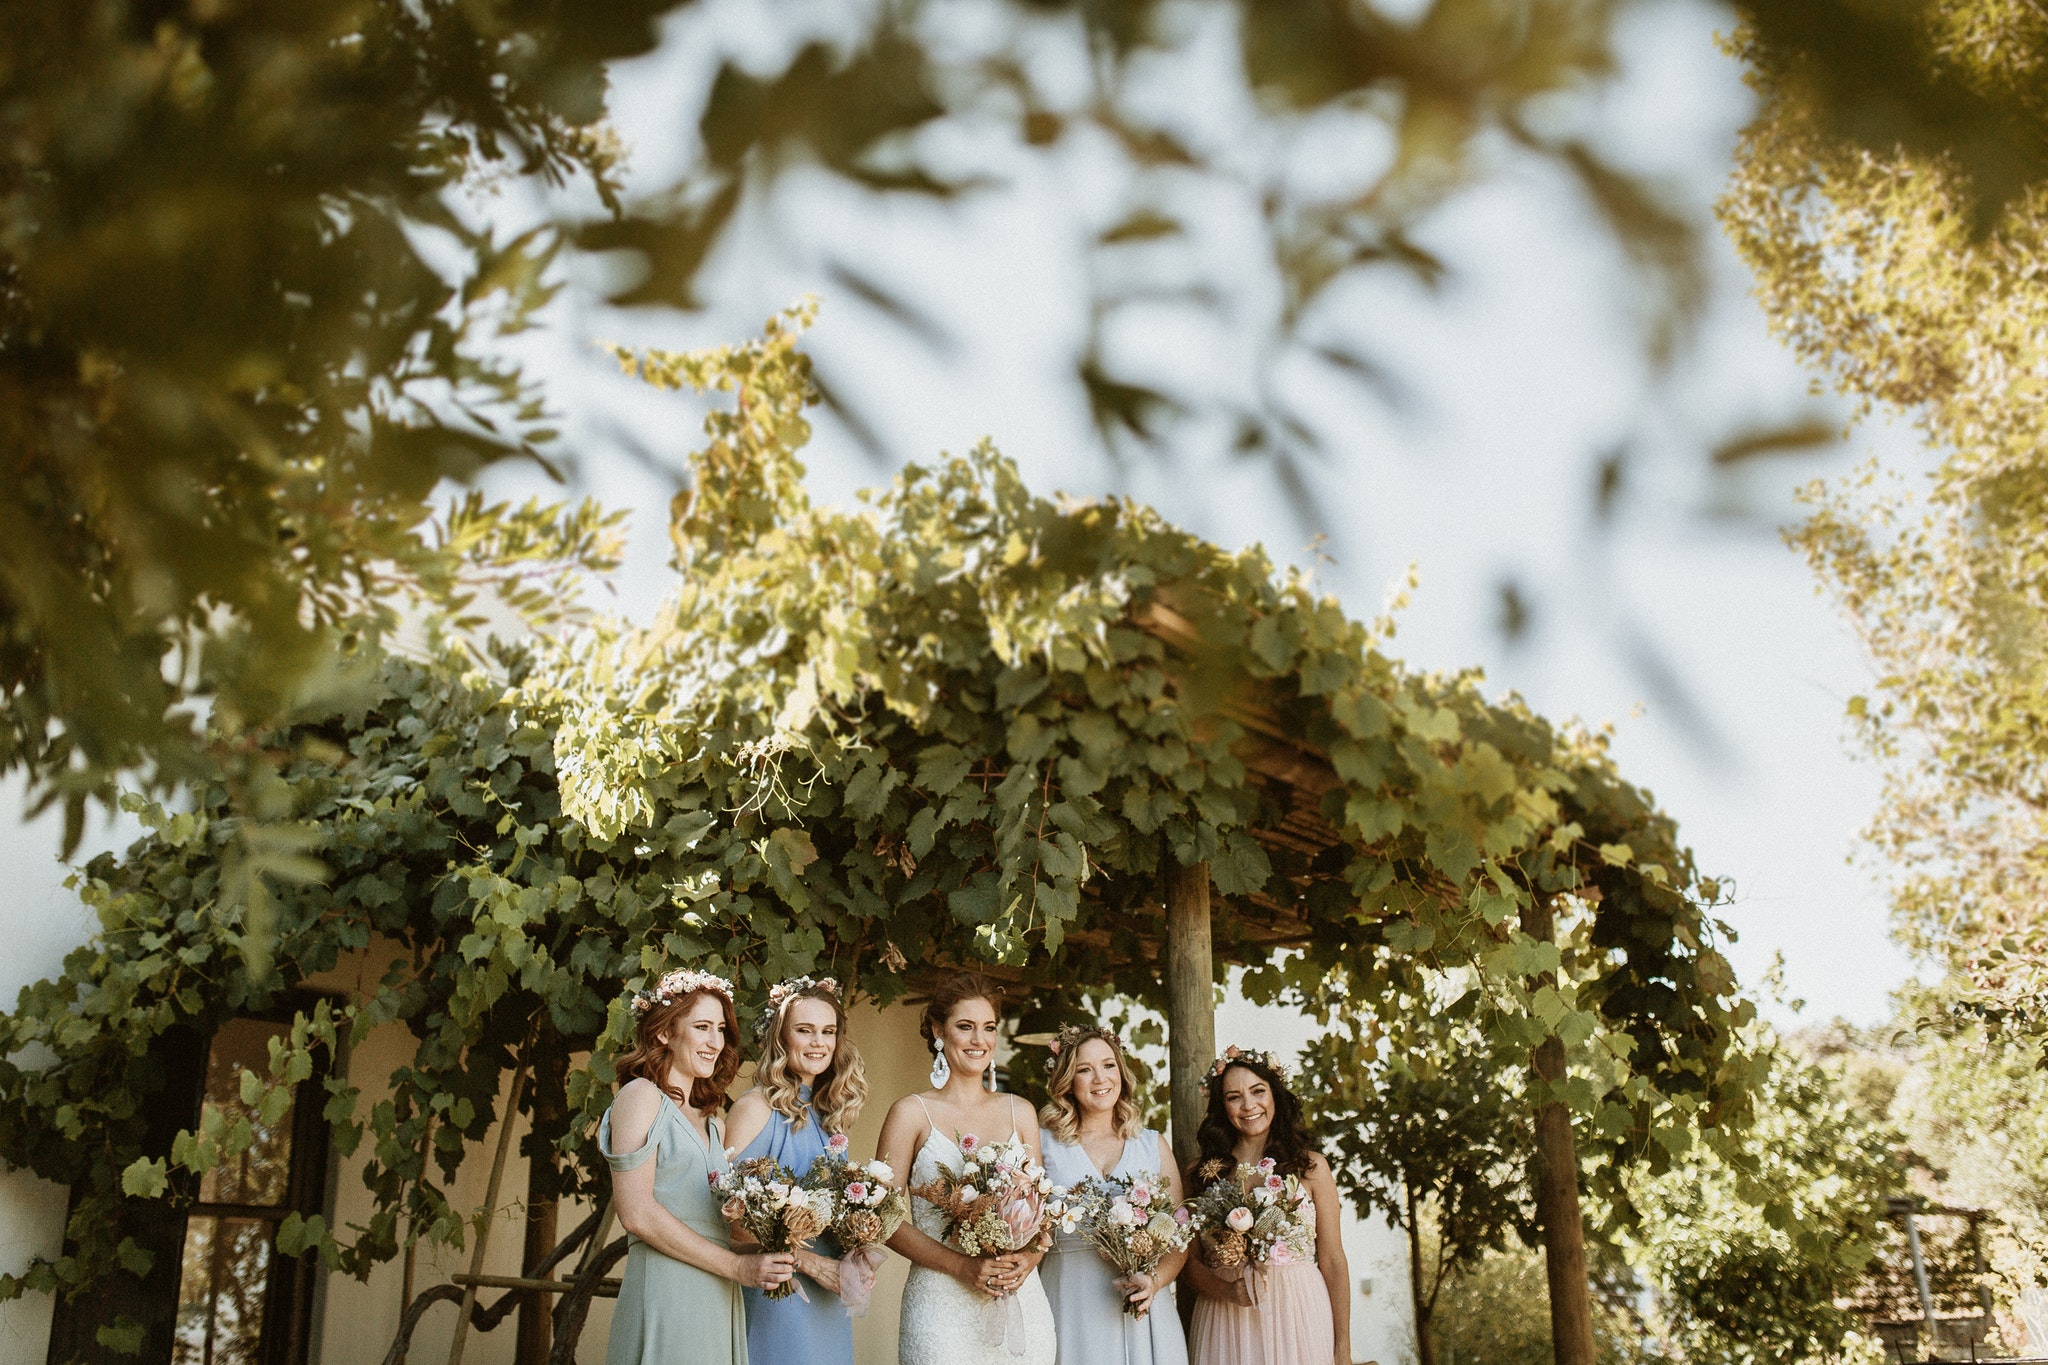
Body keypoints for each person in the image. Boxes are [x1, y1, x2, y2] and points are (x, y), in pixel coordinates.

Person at [599, 968, 796, 1365]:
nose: (714, 1042)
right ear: (663, 1033)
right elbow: (636, 1214)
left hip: (718, 1296)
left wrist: (771, 1244)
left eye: (720, 1029)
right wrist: (737, 1266)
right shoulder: (641, 1097)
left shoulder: (714, 1126)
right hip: (667, 1292)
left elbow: (713, 1228)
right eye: (702, 1027)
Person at [876, 971, 1057, 1365]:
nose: (979, 1040)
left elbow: (1043, 1212)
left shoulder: (1020, 1111)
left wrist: (1029, 1260)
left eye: (988, 1027)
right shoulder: (910, 1113)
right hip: (941, 1306)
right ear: (938, 1031)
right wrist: (961, 1265)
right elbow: (881, 1216)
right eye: (965, 1027)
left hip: (1020, 1299)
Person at [723, 976, 870, 1365]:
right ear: (780, 1038)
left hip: (828, 1297)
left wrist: (859, 1242)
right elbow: (727, 1224)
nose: (819, 1042)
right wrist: (811, 1263)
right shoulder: (754, 1109)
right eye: (805, 1031)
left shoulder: (830, 1116)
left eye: (828, 1031)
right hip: (776, 1295)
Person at [1182, 1047, 1352, 1365]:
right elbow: (1188, 1263)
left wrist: (1342, 1348)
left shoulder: (1311, 1167)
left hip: (1299, 1312)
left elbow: (1333, 1260)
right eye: (1234, 1097)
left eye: (1258, 1091)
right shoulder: (1201, 1174)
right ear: (1222, 1106)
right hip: (1226, 1316)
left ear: (1274, 1094)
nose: (1249, 1105)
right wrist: (1225, 1291)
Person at [1036, 1024, 1190, 1365]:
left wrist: (1154, 1280)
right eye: (1084, 1069)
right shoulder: (1042, 1144)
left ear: (1121, 1072)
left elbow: (1179, 1236)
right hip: (1068, 1299)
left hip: (1142, 1307)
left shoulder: (1152, 1144)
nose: (1100, 1078)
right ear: (1067, 1082)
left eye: (1108, 1065)